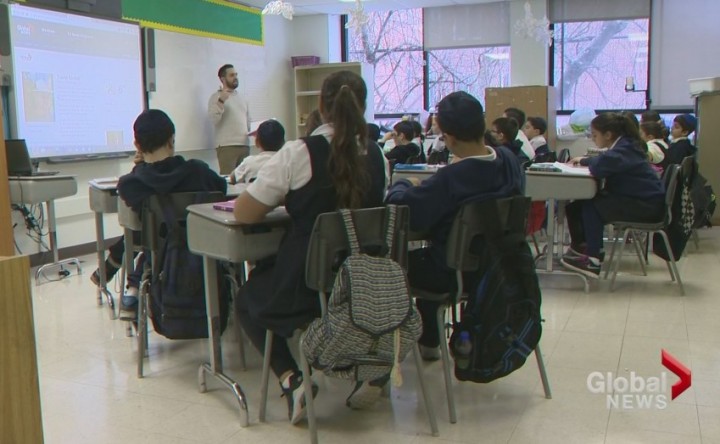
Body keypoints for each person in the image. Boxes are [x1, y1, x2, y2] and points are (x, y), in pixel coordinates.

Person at [232, 71, 389, 423]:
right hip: (363, 285)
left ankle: (293, 379)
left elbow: (244, 212)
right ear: (363, 107)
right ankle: (371, 366)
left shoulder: (299, 153)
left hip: (306, 285)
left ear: (320, 105)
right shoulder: (377, 154)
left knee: (248, 298)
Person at [386, 91, 524, 361]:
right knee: (436, 254)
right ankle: (429, 340)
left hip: (456, 273)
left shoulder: (452, 178)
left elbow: (407, 212)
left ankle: (418, 342)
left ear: (448, 138)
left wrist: (403, 185)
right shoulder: (510, 162)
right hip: (503, 267)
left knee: (402, 263)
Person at [116, 109, 227, 319]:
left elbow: (131, 187)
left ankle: (133, 287)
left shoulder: (132, 183)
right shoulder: (199, 171)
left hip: (160, 261)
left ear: (137, 145)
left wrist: (139, 168)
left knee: (152, 243)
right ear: (172, 139)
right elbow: (222, 189)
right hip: (207, 255)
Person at [560, 113, 665, 278]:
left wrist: (587, 161)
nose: (593, 139)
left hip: (646, 206)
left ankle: (593, 261)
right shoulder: (627, 145)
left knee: (591, 206)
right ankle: (586, 250)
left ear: (608, 135)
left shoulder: (624, 150)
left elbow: (599, 167)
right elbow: (603, 161)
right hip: (645, 201)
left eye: (595, 135)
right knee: (576, 206)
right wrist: (585, 161)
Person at [208, 63, 251, 174]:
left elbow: (248, 121)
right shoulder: (216, 97)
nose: (235, 77)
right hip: (227, 146)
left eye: (236, 74)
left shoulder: (242, 97)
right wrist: (221, 101)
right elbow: (213, 119)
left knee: (244, 179)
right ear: (223, 79)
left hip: (244, 145)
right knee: (228, 179)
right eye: (232, 75)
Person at [230, 119, 286, 184]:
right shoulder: (287, 163)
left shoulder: (249, 162)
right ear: (283, 143)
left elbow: (233, 178)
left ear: (257, 142)